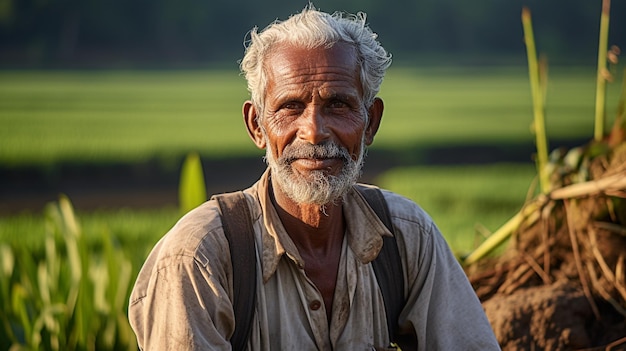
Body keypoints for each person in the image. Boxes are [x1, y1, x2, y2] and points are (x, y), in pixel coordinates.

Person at [128, 5, 500, 350]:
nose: (314, 131)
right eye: (291, 107)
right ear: (257, 125)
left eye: (338, 105)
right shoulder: (198, 259)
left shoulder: (407, 237)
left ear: (370, 122)